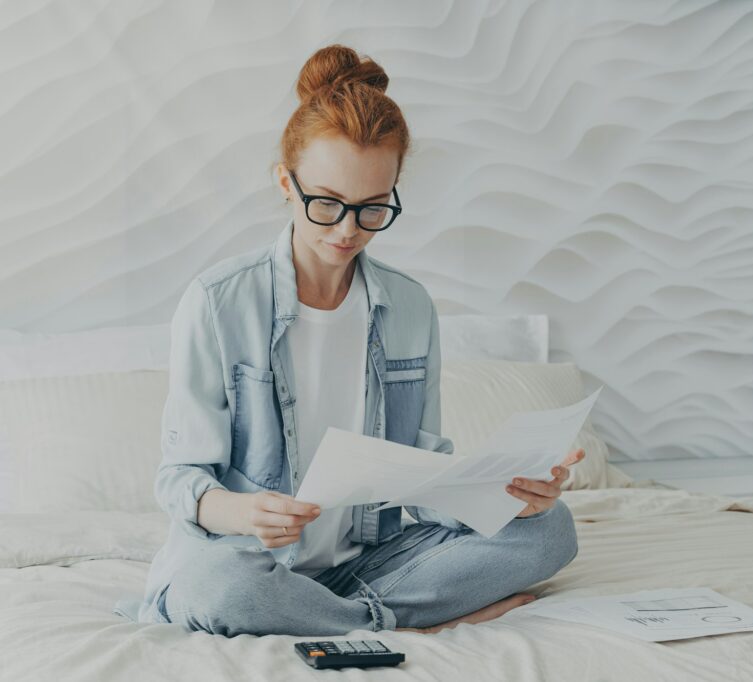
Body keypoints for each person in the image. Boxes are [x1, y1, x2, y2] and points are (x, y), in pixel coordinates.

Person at [119, 44, 584, 637]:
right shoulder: (218, 301)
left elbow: (424, 478)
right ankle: (405, 623)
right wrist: (240, 510)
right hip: (251, 564)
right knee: (215, 588)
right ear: (286, 183)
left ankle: (346, 618)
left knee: (551, 529)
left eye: (371, 208)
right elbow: (180, 479)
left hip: (371, 562)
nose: (347, 230)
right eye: (327, 204)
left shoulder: (409, 306)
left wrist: (504, 495)